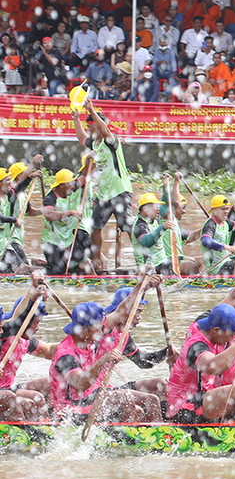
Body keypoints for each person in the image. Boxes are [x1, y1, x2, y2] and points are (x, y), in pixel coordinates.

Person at [49, 300, 161, 422]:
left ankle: (153, 436)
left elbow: (120, 311)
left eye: (102, 327)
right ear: (83, 329)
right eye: (97, 329)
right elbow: (80, 385)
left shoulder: (89, 341)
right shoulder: (65, 354)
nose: (101, 333)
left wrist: (141, 286)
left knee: (151, 400)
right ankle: (134, 439)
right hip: (69, 411)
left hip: (91, 398)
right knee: (124, 397)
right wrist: (102, 361)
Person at [72, 90, 134, 274]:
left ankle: (142, 255)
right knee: (95, 226)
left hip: (120, 190)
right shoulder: (95, 144)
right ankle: (97, 259)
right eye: (89, 128)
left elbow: (106, 130)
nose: (90, 131)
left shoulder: (111, 141)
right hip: (104, 193)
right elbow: (82, 139)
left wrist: (91, 110)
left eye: (92, 127)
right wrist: (76, 119)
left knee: (128, 227)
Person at [0, 279, 54, 419]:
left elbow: (49, 351)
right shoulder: (4, 334)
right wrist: (31, 293)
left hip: (6, 389)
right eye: (35, 323)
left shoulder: (23, 340)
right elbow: (16, 319)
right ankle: (30, 434)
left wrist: (83, 340)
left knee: (47, 386)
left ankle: (52, 424)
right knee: (28, 402)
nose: (37, 328)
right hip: (5, 394)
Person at [41, 162, 95, 275]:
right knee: (58, 272)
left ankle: (98, 285)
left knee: (85, 262)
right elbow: (49, 215)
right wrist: (70, 213)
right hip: (51, 243)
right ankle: (33, 270)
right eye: (70, 183)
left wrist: (90, 159)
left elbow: (84, 177)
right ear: (61, 185)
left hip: (67, 240)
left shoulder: (71, 188)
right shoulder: (50, 198)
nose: (73, 185)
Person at [0, 156, 41, 273]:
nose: (10, 182)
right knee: (21, 267)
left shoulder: (7, 196)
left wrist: (30, 177)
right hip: (4, 241)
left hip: (4, 240)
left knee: (20, 266)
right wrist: (14, 220)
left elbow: (20, 187)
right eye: (7, 180)